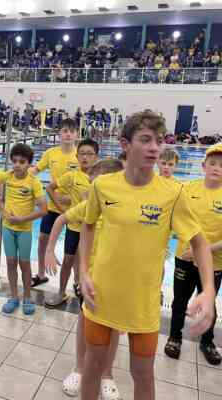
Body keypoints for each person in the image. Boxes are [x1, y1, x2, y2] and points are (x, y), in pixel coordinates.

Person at [79, 111, 215, 400]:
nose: (155, 147)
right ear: (125, 144)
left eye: (159, 140)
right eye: (146, 139)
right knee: (92, 366)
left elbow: (200, 243)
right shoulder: (103, 185)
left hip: (143, 304)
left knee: (142, 375)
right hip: (101, 297)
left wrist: (208, 291)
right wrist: (83, 272)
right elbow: (88, 225)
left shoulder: (172, 193)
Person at [45, 158, 124, 399]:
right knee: (84, 323)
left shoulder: (125, 209)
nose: (91, 188)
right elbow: (61, 220)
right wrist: (49, 250)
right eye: (91, 183)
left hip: (117, 279)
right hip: (90, 278)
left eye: (95, 183)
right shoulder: (90, 205)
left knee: (113, 328)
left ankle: (107, 374)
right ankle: (79, 368)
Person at [165, 143, 222, 365]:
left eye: (221, 165)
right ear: (203, 166)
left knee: (209, 302)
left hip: (214, 262)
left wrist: (203, 250)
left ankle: (207, 342)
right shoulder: (187, 189)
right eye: (213, 163)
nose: (217, 168)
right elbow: (173, 219)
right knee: (179, 300)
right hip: (184, 256)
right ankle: (174, 337)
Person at [0, 143, 47, 315]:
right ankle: (14, 296)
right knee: (10, 262)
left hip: (24, 230)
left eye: (22, 162)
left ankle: (27, 297)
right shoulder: (7, 176)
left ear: (29, 164)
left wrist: (22, 219)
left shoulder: (34, 182)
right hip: (8, 228)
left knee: (24, 264)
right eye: (14, 161)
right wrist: (1, 208)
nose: (17, 165)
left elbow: (44, 210)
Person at [44, 138, 98, 307]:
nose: (85, 157)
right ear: (77, 156)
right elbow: (49, 188)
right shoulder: (72, 176)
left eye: (89, 154)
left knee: (89, 264)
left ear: (96, 157)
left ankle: (84, 290)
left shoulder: (101, 179)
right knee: (68, 260)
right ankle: (61, 293)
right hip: (74, 227)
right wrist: (62, 209)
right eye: (82, 154)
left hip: (92, 229)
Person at [30, 118, 79, 287]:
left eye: (71, 131)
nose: (68, 134)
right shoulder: (51, 153)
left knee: (75, 248)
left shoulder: (79, 155)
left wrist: (70, 198)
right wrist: (20, 173)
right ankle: (41, 274)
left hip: (74, 207)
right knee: (42, 239)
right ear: (59, 133)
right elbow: (36, 169)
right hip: (53, 205)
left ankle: (77, 281)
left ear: (76, 134)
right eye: (65, 131)